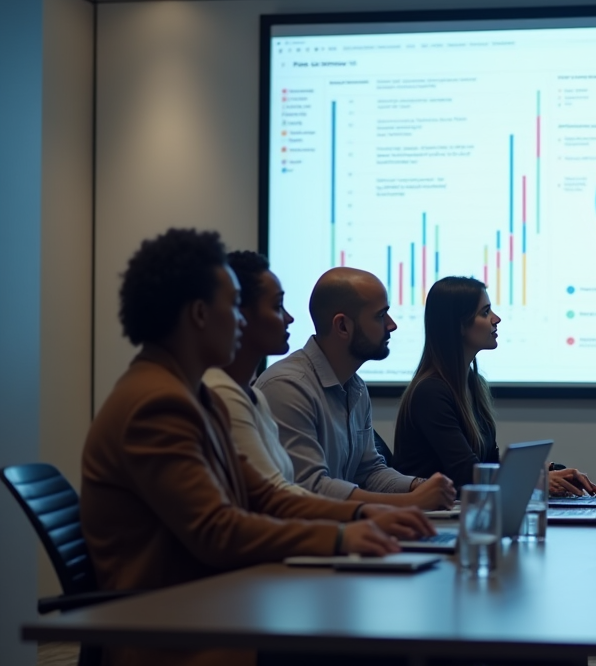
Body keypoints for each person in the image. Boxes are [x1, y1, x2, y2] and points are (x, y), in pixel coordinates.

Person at [80, 229, 433, 666]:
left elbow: (265, 496)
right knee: (383, 646)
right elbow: (218, 531)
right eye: (233, 307)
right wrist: (342, 536)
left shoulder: (195, 395)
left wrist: (364, 513)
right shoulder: (158, 404)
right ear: (199, 315)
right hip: (177, 632)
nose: (243, 321)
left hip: (217, 604)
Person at [256, 267, 457, 508]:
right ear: (342, 326)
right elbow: (309, 487)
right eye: (381, 315)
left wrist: (417, 485)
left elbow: (369, 472)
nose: (391, 325)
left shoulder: (356, 387)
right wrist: (411, 501)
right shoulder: (287, 388)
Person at [393, 275, 596, 495]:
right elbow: (466, 473)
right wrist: (534, 479)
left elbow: (487, 463)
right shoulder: (431, 392)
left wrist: (545, 471)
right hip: (431, 519)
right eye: (485, 312)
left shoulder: (474, 384)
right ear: (459, 325)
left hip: (462, 511)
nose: (496, 319)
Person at [203, 250, 307, 496]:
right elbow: (275, 496)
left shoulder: (254, 394)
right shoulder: (221, 393)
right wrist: (362, 515)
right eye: (278, 306)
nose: (289, 318)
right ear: (241, 315)